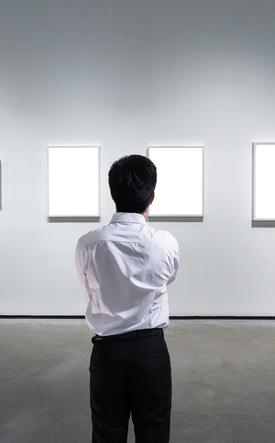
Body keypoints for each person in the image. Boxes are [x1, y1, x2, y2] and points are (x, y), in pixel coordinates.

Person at [75, 154, 180, 443]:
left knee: (107, 435)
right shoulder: (164, 243)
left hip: (107, 354)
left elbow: (89, 293)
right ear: (152, 198)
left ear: (112, 193)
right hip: (150, 352)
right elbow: (168, 277)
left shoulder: (88, 243)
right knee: (154, 435)